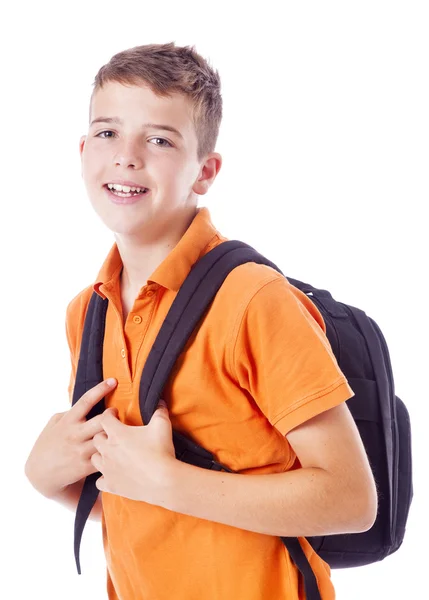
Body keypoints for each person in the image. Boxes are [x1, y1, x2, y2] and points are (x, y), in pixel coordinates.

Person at [24, 42, 377, 600]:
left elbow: (352, 500)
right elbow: (136, 500)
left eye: (160, 139)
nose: (126, 156)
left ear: (205, 171)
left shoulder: (251, 299)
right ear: (83, 148)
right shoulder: (88, 311)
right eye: (108, 132)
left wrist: (170, 480)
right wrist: (46, 478)